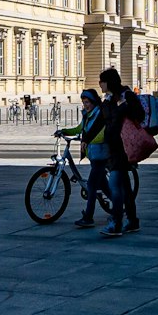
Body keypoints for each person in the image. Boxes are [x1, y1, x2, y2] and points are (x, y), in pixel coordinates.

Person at [96, 67, 145, 238]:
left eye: (101, 81)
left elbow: (139, 114)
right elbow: (102, 121)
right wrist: (86, 137)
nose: (99, 84)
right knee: (125, 186)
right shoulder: (108, 99)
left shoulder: (127, 96)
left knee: (115, 186)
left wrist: (122, 108)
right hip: (114, 147)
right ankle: (132, 221)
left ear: (108, 82)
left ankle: (116, 223)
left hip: (124, 148)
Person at [55, 89, 109, 227]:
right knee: (104, 186)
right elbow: (79, 129)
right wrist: (64, 131)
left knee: (91, 185)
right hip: (93, 153)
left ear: (93, 101)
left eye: (88, 102)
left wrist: (89, 140)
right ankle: (120, 207)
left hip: (101, 153)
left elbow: (101, 132)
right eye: (84, 102)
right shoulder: (87, 114)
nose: (85, 105)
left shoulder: (99, 113)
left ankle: (88, 217)